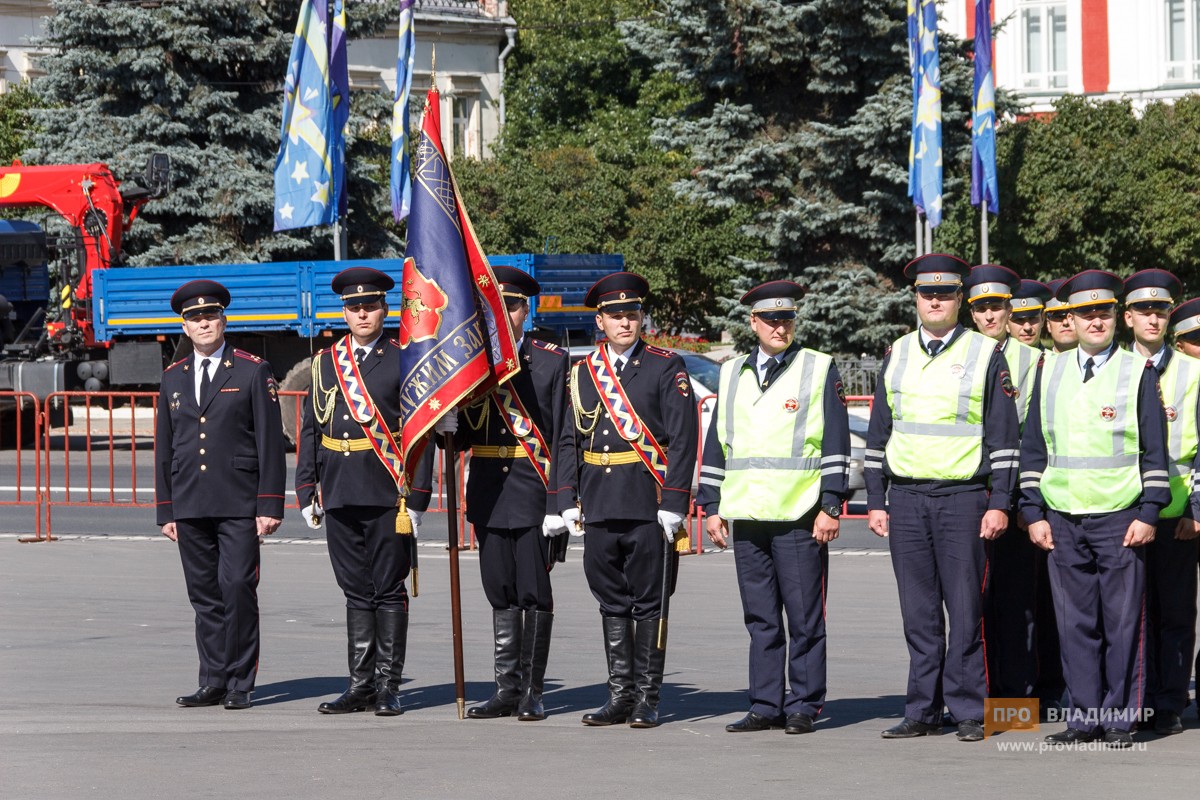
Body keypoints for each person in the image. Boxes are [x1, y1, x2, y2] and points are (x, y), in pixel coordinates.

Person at [865, 253, 1019, 743]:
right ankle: (922, 710)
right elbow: (878, 436)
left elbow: (1004, 439)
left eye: (946, 293)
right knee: (919, 613)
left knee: (965, 610)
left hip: (964, 500)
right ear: (915, 299)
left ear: (960, 299)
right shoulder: (896, 355)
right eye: (927, 294)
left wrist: (999, 503)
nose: (936, 300)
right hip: (907, 499)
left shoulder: (985, 355)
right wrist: (875, 500)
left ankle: (971, 711)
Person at [1019, 270, 1171, 747]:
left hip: (1121, 517)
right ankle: (1084, 717)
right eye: (1086, 313)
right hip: (1063, 517)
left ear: (1115, 317)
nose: (1097, 320)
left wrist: (1149, 512)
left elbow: (1154, 451)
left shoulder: (1135, 372)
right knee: (1075, 623)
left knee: (1123, 624)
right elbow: (1034, 449)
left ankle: (1121, 720)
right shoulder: (1050, 370)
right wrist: (1033, 511)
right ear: (1072, 319)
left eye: (1104, 312)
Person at [697, 280, 850, 735]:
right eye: (770, 320)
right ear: (753, 323)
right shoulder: (731, 373)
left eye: (786, 319)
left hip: (799, 514)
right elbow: (719, 444)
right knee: (761, 618)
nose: (779, 327)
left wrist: (831, 505)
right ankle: (765, 704)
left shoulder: (818, 368)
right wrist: (711, 506)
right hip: (747, 515)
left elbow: (837, 443)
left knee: (804, 618)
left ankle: (803, 704)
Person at [295, 267, 436, 717]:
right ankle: (360, 685)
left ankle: (389, 685)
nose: (362, 313)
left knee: (388, 589)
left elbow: (422, 434)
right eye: (354, 307)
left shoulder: (404, 359)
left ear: (384, 310)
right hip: (338, 490)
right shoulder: (323, 363)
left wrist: (417, 499)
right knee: (355, 590)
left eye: (370, 306)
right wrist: (305, 488)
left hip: (387, 492)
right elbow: (312, 430)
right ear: (344, 312)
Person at [571, 271, 698, 729]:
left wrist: (675, 500)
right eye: (616, 316)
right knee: (610, 601)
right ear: (600, 321)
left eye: (633, 314)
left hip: (648, 504)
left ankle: (647, 696)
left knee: (650, 602)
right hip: (600, 504)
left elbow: (683, 439)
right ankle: (619, 694)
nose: (625, 323)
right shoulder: (583, 372)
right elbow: (569, 440)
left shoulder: (666, 367)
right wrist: (566, 498)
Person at [155, 279, 285, 710]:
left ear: (223, 319)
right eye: (194, 318)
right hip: (190, 502)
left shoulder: (251, 370)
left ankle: (240, 682)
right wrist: (165, 509)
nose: (203, 323)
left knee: (236, 588)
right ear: (184, 327)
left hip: (239, 502)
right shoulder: (173, 377)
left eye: (210, 315)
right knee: (205, 595)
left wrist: (269, 504)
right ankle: (212, 678)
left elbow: (270, 442)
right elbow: (165, 446)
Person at [460, 266, 577, 722]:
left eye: (513, 305)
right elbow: (466, 438)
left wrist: (559, 500)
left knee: (533, 591)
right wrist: (449, 425)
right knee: (499, 591)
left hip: (533, 491)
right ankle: (505, 689)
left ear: (526, 312)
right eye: (497, 305)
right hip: (489, 490)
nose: (506, 313)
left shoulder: (549, 360)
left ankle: (533, 691)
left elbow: (564, 436)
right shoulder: (472, 362)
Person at [963, 265, 1054, 711]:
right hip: (966, 497)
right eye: (981, 307)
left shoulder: (1035, 361)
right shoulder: (959, 355)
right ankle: (973, 700)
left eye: (998, 306)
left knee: (1016, 606)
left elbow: (1038, 440)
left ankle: (1015, 704)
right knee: (970, 605)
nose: (990, 316)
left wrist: (1026, 502)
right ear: (971, 310)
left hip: (1015, 499)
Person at [1122, 270, 1200, 736]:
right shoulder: (1114, 366)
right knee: (1128, 613)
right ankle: (1134, 698)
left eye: (1161, 311)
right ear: (1127, 317)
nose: (1153, 318)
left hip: (1176, 515)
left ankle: (1168, 701)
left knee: (1174, 612)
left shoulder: (1193, 373)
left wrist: (1196, 509)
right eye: (1144, 311)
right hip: (1122, 511)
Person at [1008, 279, 1051, 347]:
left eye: (1032, 318)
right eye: (1019, 320)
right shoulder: (997, 357)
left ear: (1042, 319)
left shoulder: (1052, 357)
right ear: (1006, 324)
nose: (1027, 327)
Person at [1044, 278, 1077, 354]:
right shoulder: (1039, 364)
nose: (1065, 322)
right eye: (1058, 317)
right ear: (1048, 324)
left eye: (1071, 317)